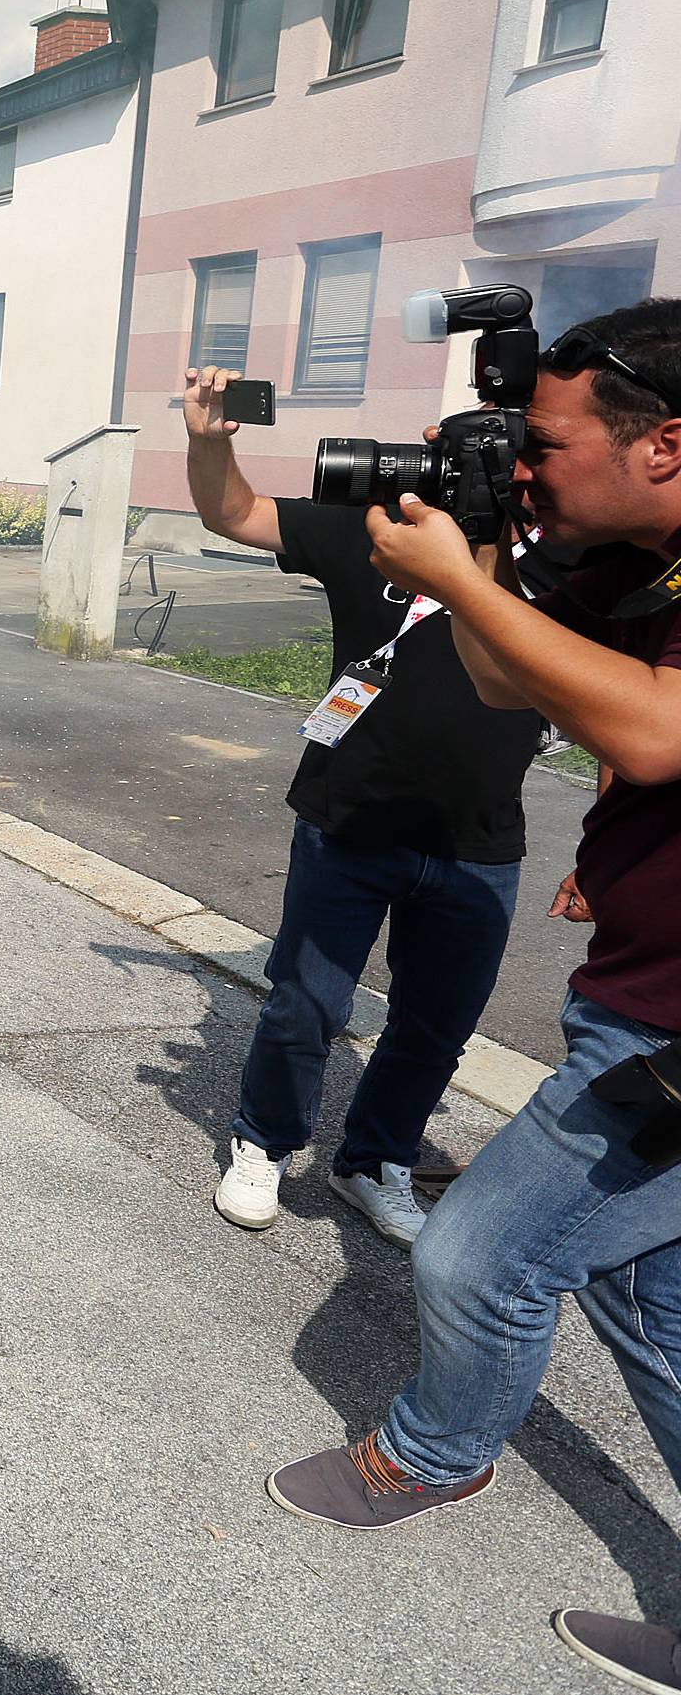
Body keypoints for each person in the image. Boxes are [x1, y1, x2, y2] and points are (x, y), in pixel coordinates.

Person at [263, 301, 681, 1693]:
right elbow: (523, 682)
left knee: (478, 1255)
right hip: (647, 989)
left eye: (550, 445)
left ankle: (432, 1458)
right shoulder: (640, 565)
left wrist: (476, 569)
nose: (536, 466)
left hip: (672, 1035)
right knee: (652, 1307)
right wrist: (487, 556)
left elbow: (652, 730)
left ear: (665, 442)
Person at [183, 365, 541, 1248]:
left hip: (480, 840)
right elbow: (235, 513)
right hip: (351, 817)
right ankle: (263, 1140)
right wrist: (207, 440)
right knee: (306, 1003)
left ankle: (373, 1160)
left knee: (435, 1025)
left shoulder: (571, 570)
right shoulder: (378, 528)